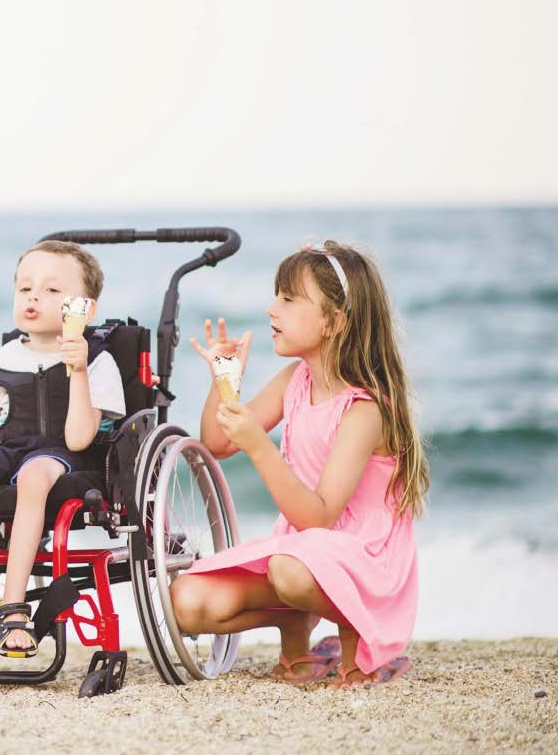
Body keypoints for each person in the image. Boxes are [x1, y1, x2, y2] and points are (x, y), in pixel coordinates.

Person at [169, 240, 428, 688]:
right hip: (299, 552)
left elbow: (318, 515)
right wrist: (226, 382)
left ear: (335, 322)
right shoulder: (296, 380)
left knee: (288, 570)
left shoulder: (364, 409)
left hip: (362, 557)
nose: (272, 310)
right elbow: (215, 442)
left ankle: (358, 641)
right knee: (186, 602)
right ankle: (295, 623)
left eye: (288, 299)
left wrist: (259, 446)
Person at [0, 240, 126, 658]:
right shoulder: (7, 355)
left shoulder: (99, 360)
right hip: (11, 445)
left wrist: (79, 369)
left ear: (83, 309)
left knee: (33, 474)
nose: (34, 297)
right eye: (25, 288)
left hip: (67, 457)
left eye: (52, 291)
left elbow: (79, 440)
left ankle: (14, 608)